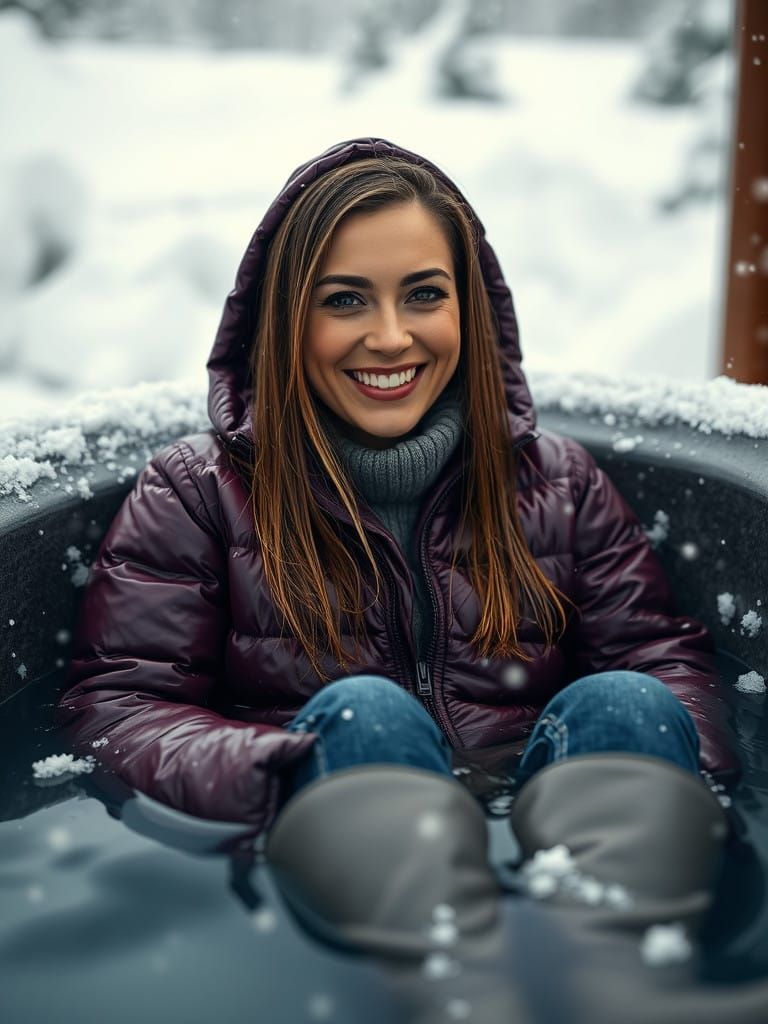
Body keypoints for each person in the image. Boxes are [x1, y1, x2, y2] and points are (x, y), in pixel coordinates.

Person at [58, 136, 759, 1023]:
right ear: (286, 319)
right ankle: (460, 996)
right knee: (368, 714)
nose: (390, 336)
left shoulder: (558, 482)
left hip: (560, 827)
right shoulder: (199, 492)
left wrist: (672, 770)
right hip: (351, 850)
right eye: (345, 299)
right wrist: (280, 772)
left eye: (424, 294)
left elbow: (662, 655)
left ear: (469, 309)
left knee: (626, 700)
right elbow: (118, 708)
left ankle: (625, 977)